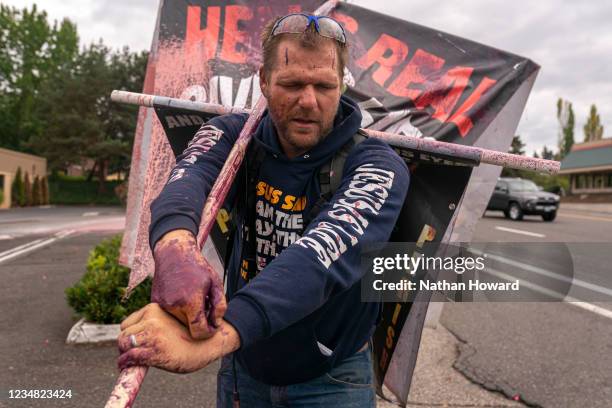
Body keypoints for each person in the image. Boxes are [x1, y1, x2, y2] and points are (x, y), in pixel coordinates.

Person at [117, 13, 410, 407]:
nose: (308, 101)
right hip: (244, 370)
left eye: (324, 86)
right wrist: (175, 249)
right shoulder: (232, 135)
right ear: (264, 82)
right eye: (291, 84)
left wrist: (213, 341)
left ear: (342, 85)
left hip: (332, 379)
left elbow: (319, 258)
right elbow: (186, 180)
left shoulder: (378, 165)